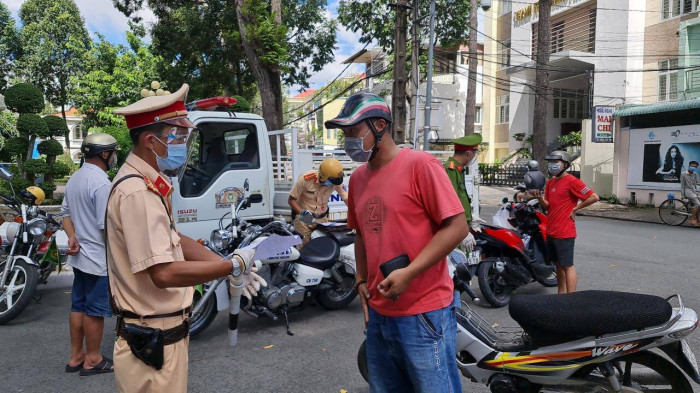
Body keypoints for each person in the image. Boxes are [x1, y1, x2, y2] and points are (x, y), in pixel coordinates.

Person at [108, 84, 266, 393]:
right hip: (153, 340)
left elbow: (174, 238)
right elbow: (163, 273)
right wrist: (231, 265)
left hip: (159, 336)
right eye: (178, 137)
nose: (185, 145)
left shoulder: (149, 183)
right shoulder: (138, 192)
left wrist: (223, 262)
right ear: (151, 141)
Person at [325, 92, 468, 392]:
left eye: (353, 131)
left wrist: (410, 272)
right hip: (379, 313)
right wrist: (361, 280)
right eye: (345, 133)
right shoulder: (359, 178)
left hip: (424, 312)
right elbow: (361, 233)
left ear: (379, 125)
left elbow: (457, 227)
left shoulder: (421, 165)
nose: (348, 140)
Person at [61, 133, 119, 376]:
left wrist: (72, 236)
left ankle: (76, 356)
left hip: (80, 257)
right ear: (104, 155)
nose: (116, 157)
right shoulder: (102, 183)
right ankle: (93, 359)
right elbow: (106, 227)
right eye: (114, 152)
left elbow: (65, 214)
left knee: (79, 306)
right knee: (95, 310)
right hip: (97, 259)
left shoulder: (76, 177)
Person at [533, 150, 599, 294]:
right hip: (551, 230)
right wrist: (539, 199)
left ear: (565, 164)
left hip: (565, 231)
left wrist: (575, 208)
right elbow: (548, 206)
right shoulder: (550, 182)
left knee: (567, 265)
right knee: (557, 265)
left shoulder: (573, 181)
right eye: (550, 162)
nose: (552, 165)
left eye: (555, 162)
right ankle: (561, 296)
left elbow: (593, 197)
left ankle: (571, 298)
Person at [288, 158, 348, 247]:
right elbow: (291, 200)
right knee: (304, 249)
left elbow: (347, 199)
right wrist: (302, 214)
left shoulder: (335, 181)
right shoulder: (305, 179)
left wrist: (356, 215)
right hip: (303, 221)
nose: (331, 184)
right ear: (323, 176)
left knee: (322, 248)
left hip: (323, 220)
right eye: (331, 181)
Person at [445, 133, 483, 252]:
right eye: (474, 154)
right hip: (455, 229)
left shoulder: (458, 170)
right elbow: (450, 204)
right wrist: (460, 230)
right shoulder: (449, 169)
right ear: (468, 154)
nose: (473, 158)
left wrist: (470, 217)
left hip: (461, 227)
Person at [680, 160, 700, 226]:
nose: (693, 167)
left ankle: (698, 221)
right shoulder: (683, 174)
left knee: (698, 205)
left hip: (694, 191)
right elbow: (682, 185)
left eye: (695, 166)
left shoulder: (695, 174)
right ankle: (692, 218)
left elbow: (698, 182)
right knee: (698, 204)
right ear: (689, 166)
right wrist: (683, 195)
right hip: (687, 191)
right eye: (692, 166)